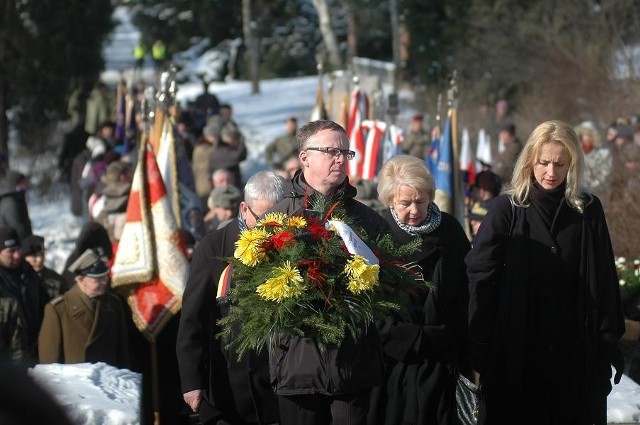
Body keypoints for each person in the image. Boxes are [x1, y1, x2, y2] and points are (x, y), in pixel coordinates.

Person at [465, 120, 625, 425]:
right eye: (543, 163)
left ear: (572, 165)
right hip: (516, 356)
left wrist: (607, 343)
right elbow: (480, 277)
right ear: (530, 161)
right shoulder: (507, 209)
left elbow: (603, 278)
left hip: (574, 358)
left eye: (560, 164)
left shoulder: (587, 210)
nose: (551, 173)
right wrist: (480, 344)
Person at [268, 120, 389, 425]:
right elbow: (252, 291)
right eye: (331, 151)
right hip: (296, 362)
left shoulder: (367, 219)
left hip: (352, 366)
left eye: (345, 152)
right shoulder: (278, 218)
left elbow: (390, 284)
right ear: (304, 157)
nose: (340, 158)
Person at [367, 155, 471, 425]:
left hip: (444, 361)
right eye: (405, 203)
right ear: (390, 200)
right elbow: (367, 301)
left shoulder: (450, 231)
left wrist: (452, 335)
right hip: (393, 365)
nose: (414, 210)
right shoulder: (377, 235)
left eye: (420, 202)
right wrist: (408, 337)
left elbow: (467, 291)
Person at [177, 171, 286, 425]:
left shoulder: (292, 240)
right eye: (262, 220)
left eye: (278, 220)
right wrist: (192, 381)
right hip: (231, 380)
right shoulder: (213, 248)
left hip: (280, 381)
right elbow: (193, 318)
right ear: (244, 209)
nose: (270, 230)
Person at [38, 249, 130, 369]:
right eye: (98, 279)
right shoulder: (58, 310)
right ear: (80, 280)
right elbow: (49, 365)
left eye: (105, 277)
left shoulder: (113, 304)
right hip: (75, 385)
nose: (104, 282)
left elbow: (122, 352)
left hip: (108, 384)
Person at [0, 228, 49, 364]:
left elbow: (44, 303)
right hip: (9, 358)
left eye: (18, 249)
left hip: (35, 349)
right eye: (10, 251)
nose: (17, 255)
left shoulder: (27, 271)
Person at [21, 234, 70, 299]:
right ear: (24, 257)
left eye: (42, 254)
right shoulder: (18, 280)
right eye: (34, 256)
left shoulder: (57, 280)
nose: (40, 259)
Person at [0, 169, 33, 239]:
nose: (27, 187)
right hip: (16, 246)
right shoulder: (11, 204)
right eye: (24, 183)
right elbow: (21, 231)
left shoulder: (14, 200)